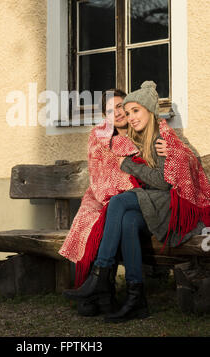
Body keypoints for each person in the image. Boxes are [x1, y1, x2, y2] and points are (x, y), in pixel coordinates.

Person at [62, 81, 210, 322]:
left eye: (132, 110)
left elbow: (165, 179)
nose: (127, 116)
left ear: (149, 109)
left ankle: (101, 275)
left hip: (172, 204)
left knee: (119, 204)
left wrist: (128, 164)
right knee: (128, 221)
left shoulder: (161, 136)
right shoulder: (135, 136)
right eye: (123, 112)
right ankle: (136, 299)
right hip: (152, 202)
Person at [59, 86, 166, 317]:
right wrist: (113, 190)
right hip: (102, 195)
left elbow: (162, 167)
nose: (117, 114)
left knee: (116, 212)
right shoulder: (100, 136)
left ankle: (101, 283)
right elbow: (100, 172)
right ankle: (104, 290)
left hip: (139, 198)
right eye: (110, 111)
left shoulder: (144, 130)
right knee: (90, 220)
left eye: (120, 107)